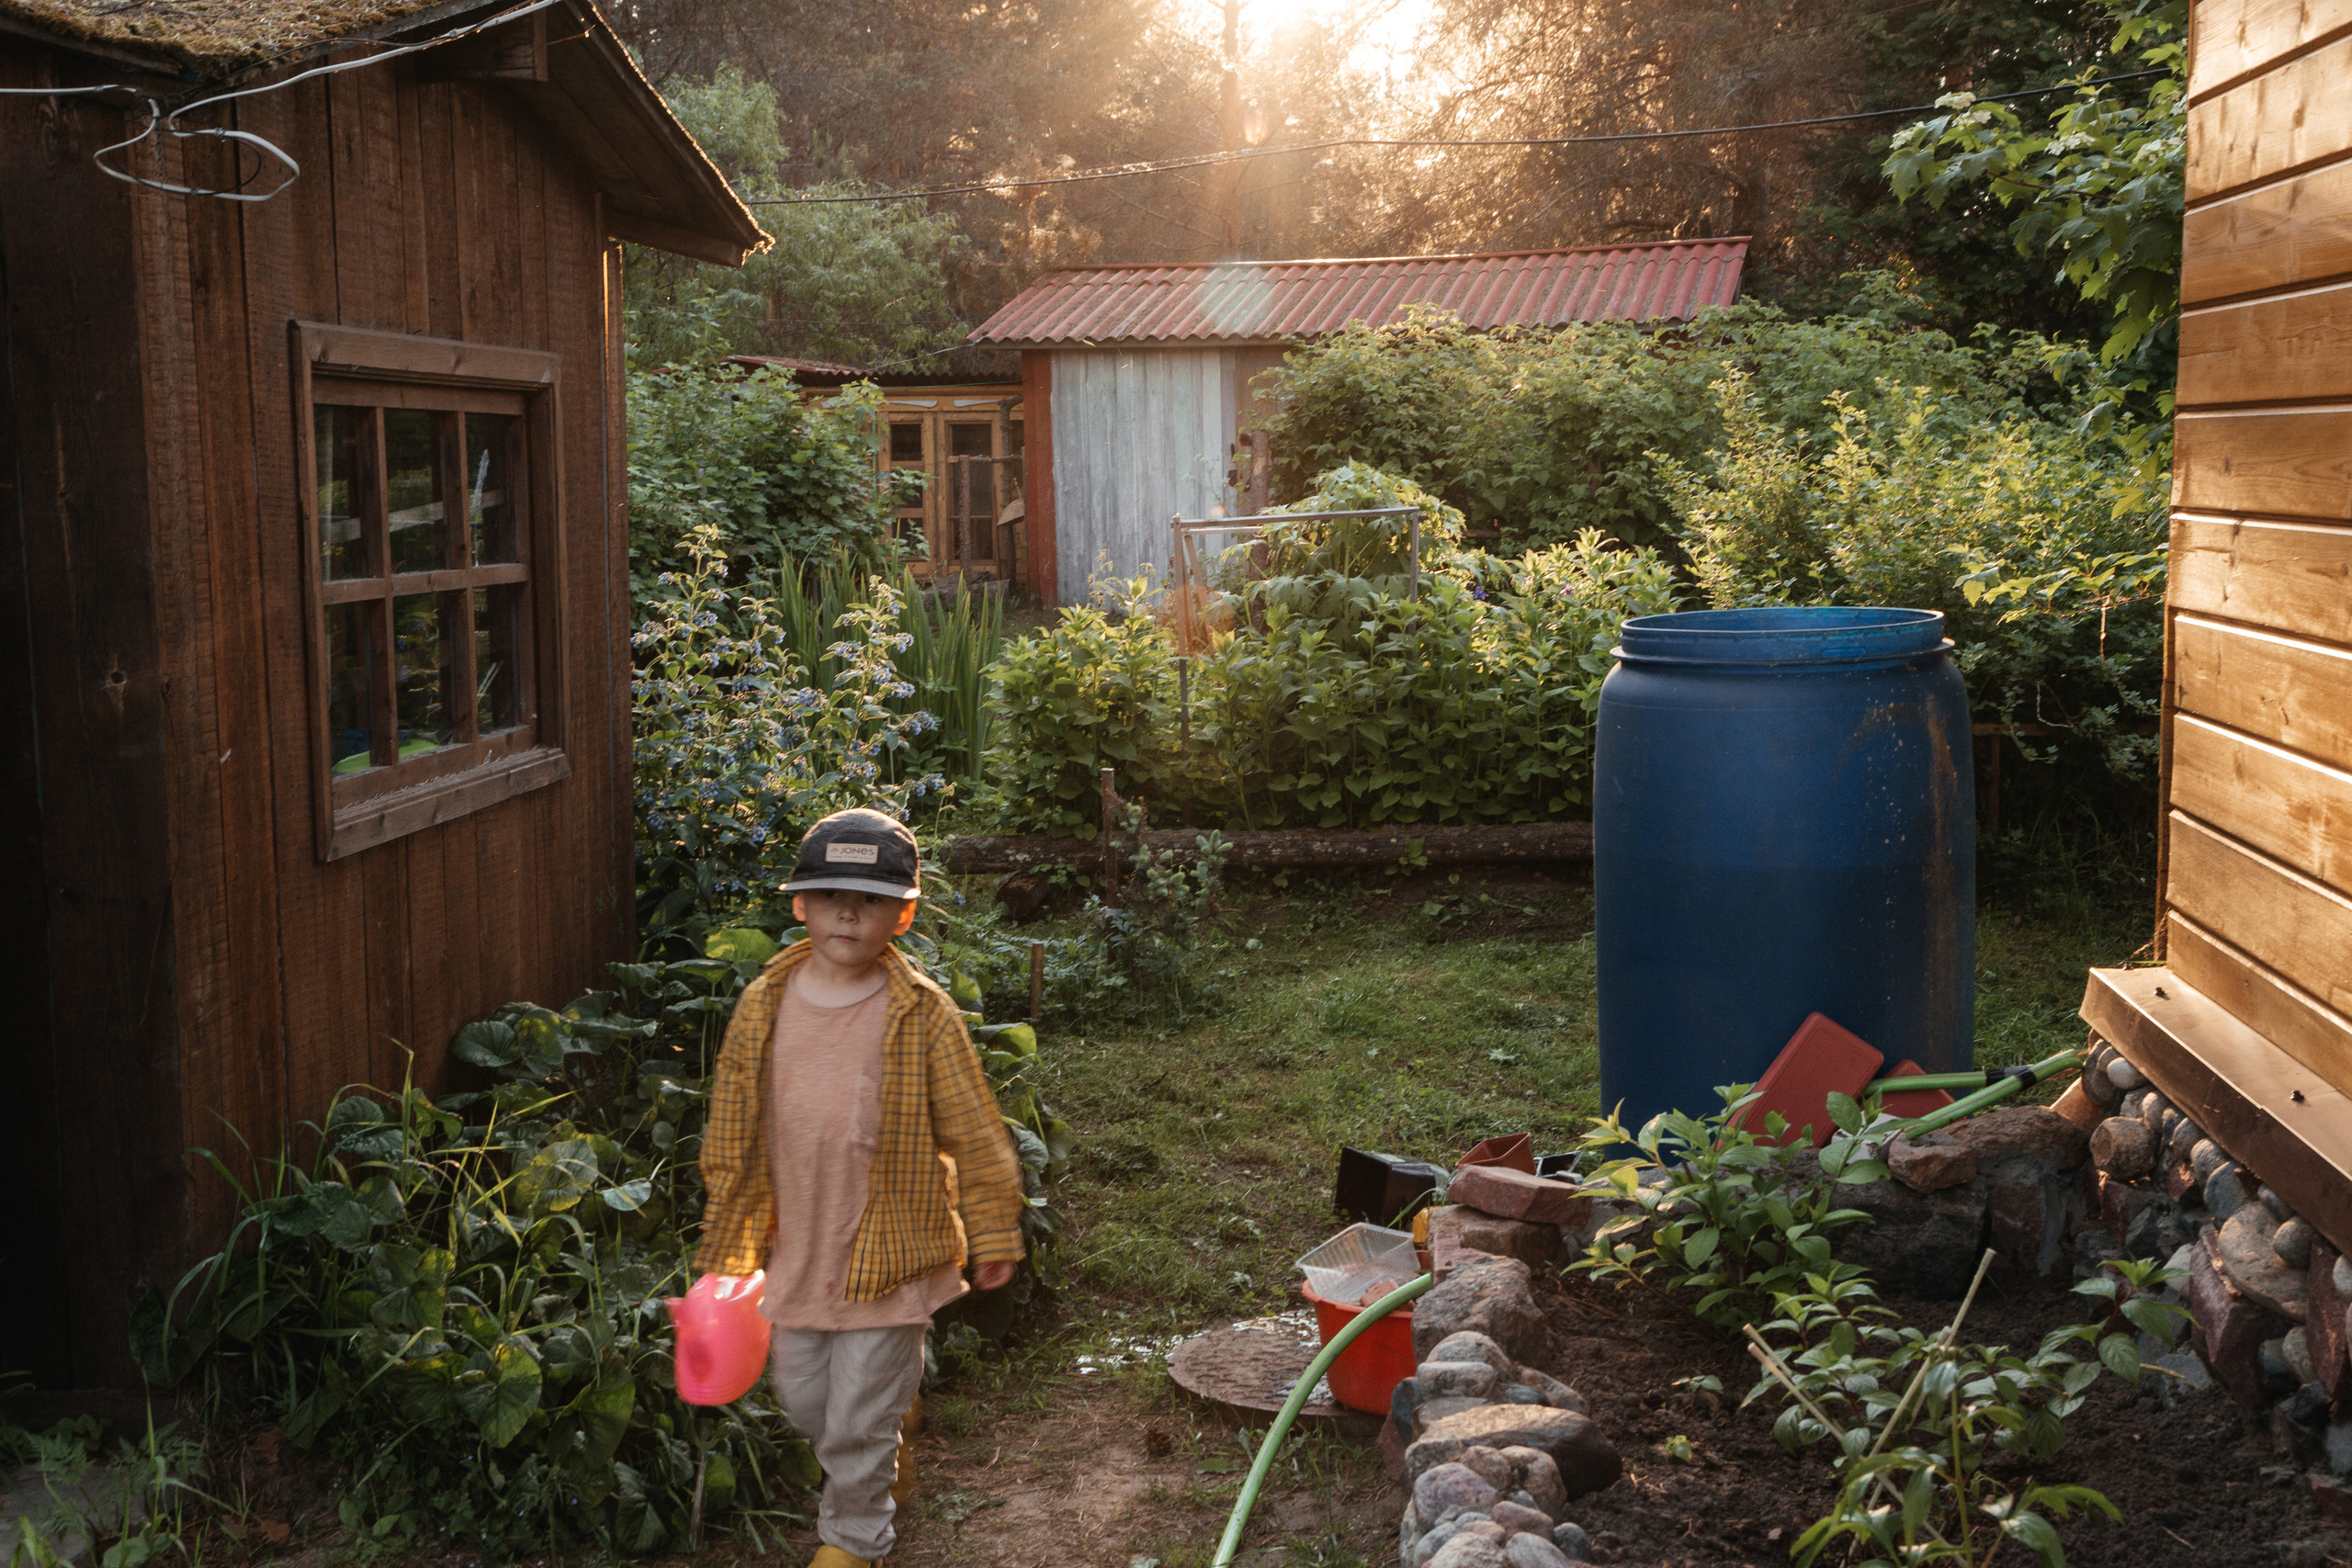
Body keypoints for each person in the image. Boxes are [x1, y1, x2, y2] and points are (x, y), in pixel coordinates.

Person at [695, 808, 1026, 1568]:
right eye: (830, 895)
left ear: (902, 916)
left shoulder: (922, 1012)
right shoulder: (764, 1003)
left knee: (853, 1422)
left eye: (871, 899)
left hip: (890, 1254)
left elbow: (976, 1129)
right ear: (799, 904)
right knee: (804, 1400)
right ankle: (886, 1433)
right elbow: (731, 1129)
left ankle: (853, 1538)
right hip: (797, 1253)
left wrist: (994, 1230)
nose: (848, 913)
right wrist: (725, 1242)